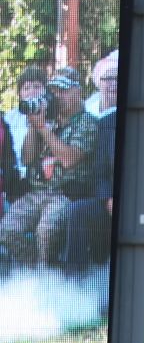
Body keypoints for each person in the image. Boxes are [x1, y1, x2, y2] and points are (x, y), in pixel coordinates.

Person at [1, 67, 97, 265]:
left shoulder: (87, 123)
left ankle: (47, 277)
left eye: (63, 91)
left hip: (66, 194)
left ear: (77, 92)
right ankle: (38, 269)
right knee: (7, 229)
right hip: (37, 193)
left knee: (45, 231)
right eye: (54, 91)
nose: (57, 96)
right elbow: (27, 159)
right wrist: (34, 126)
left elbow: (69, 159)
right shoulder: (49, 121)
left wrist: (43, 129)